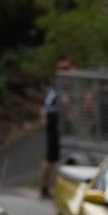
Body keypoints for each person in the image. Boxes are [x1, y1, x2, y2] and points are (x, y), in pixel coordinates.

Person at [39, 57, 72, 199]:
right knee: (52, 159)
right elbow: (46, 107)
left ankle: (51, 187)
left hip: (59, 124)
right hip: (54, 124)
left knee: (56, 159)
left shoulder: (64, 87)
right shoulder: (55, 88)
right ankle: (47, 187)